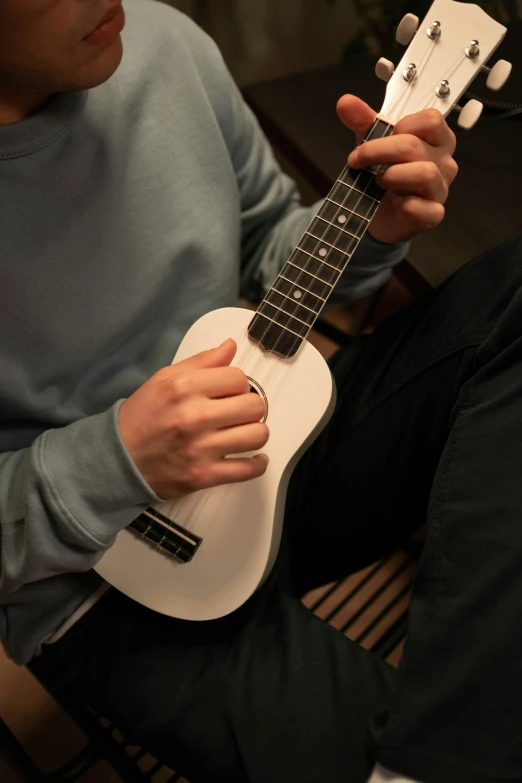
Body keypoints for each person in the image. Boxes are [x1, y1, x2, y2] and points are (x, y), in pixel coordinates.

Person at [1, 1, 521, 781]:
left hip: (276, 444)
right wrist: (119, 457)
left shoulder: (161, 41)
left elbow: (268, 244)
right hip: (93, 582)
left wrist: (370, 226)